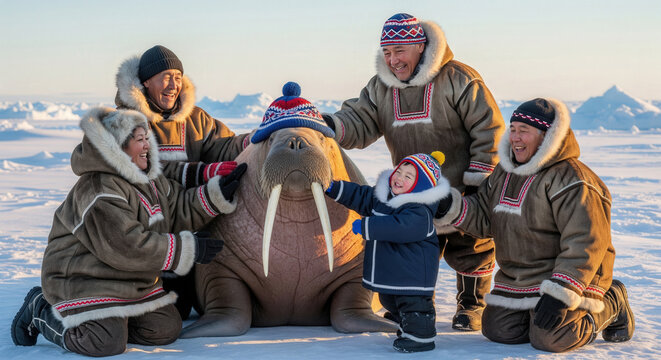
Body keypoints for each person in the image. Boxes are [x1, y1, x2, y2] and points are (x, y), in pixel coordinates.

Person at [10, 107, 247, 357]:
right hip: (83, 279)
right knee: (105, 342)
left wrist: (215, 194)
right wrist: (187, 249)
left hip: (127, 281)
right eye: (140, 140)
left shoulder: (149, 180)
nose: (148, 145)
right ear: (118, 148)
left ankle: (115, 322)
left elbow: (177, 208)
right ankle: (40, 310)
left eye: (147, 138)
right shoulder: (98, 189)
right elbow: (125, 245)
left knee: (165, 329)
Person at [322, 13, 505, 331]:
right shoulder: (381, 87)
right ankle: (412, 306)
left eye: (399, 51)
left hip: (461, 186)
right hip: (411, 189)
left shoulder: (458, 78)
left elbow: (487, 127)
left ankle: (471, 306)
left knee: (471, 246)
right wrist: (331, 127)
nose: (392, 60)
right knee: (412, 249)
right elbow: (360, 119)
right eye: (387, 53)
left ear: (420, 46)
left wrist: (480, 177)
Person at [435, 98, 635, 352]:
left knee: (551, 338)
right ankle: (536, 313)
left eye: (524, 131)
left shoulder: (573, 180)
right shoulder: (504, 173)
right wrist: (450, 207)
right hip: (522, 277)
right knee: (498, 331)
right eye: (513, 130)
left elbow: (586, 242)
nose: (516, 138)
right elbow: (485, 218)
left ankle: (611, 301)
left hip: (573, 276)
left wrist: (562, 290)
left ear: (547, 136)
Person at [325, 151, 451, 352]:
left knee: (413, 303)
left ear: (421, 186)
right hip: (393, 272)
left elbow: (400, 227)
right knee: (388, 299)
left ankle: (420, 335)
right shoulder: (384, 196)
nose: (399, 178)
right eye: (399, 171)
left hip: (413, 275)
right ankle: (406, 323)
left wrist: (368, 226)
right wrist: (334, 187)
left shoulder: (419, 211)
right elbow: (361, 195)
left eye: (408, 177)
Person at [115, 45, 249, 188]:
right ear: (146, 82)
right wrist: (199, 173)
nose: (173, 86)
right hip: (147, 209)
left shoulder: (196, 118)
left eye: (178, 78)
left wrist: (256, 140)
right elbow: (144, 167)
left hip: (196, 207)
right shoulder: (126, 121)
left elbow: (224, 146)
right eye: (166, 77)